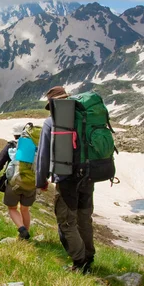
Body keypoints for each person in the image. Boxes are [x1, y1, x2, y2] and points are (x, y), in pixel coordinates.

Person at [36, 86, 95, 273]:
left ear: (52, 104)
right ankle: (89, 255)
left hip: (66, 179)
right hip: (87, 176)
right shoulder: (84, 118)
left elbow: (43, 156)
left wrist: (41, 179)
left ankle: (79, 262)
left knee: (67, 221)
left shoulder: (50, 122)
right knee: (84, 218)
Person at [0, 124, 36, 240]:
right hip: (31, 183)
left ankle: (22, 229)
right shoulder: (35, 146)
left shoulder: (12, 145)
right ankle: (25, 236)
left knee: (12, 208)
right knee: (25, 209)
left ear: (15, 135)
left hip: (14, 182)